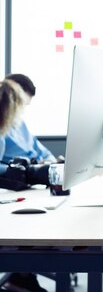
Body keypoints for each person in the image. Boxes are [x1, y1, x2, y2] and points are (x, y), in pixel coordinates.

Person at [0, 77, 49, 292]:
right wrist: (22, 173)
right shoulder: (3, 129)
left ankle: (22, 275)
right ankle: (22, 274)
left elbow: (36, 147)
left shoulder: (16, 123)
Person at [1, 74, 58, 166]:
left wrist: (51, 162)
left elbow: (45, 153)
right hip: (22, 173)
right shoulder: (2, 128)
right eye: (21, 104)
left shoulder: (21, 124)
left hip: (39, 167)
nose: (21, 110)